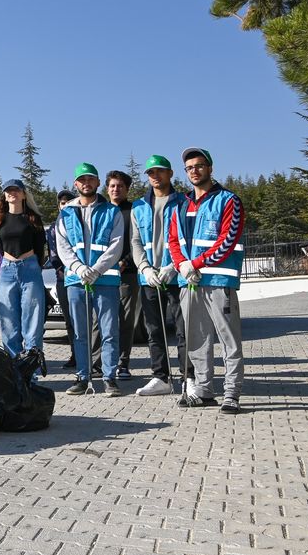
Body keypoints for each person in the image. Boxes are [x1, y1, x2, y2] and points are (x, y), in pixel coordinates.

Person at [168, 147, 246, 414]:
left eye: (199, 165)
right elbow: (173, 241)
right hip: (189, 282)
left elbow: (227, 240)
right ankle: (203, 391)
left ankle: (232, 393)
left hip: (218, 281)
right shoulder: (180, 204)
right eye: (189, 167)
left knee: (228, 339)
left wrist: (196, 264)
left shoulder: (228, 200)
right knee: (196, 338)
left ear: (210, 168)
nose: (194, 171)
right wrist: (181, 265)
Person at [55, 163, 125, 397]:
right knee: (80, 333)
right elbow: (62, 247)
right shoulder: (65, 213)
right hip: (76, 281)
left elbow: (116, 245)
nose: (86, 183)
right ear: (75, 184)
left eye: (90, 179)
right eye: (81, 180)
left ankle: (109, 377)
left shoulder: (111, 211)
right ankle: (83, 377)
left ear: (97, 183)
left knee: (109, 331)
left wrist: (95, 269)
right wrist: (77, 267)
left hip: (105, 280)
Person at [131, 155, 190, 397]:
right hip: (149, 279)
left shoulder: (184, 202)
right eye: (151, 173)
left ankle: (189, 377)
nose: (155, 176)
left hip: (175, 277)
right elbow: (135, 241)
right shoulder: (138, 206)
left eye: (160, 171)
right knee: (154, 330)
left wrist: (174, 267)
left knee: (183, 328)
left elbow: (189, 238)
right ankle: (160, 377)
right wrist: (144, 268)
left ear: (170, 174)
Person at [0, 179, 48, 358]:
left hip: (30, 269)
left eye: (16, 190)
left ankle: (31, 369)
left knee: (32, 320)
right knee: (8, 321)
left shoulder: (33, 218)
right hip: (7, 270)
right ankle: (14, 367)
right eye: (8, 191)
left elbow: (41, 248)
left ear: (24, 194)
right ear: (5, 196)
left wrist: (34, 266)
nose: (12, 193)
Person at [105, 170, 143, 380]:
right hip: (102, 274)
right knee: (103, 320)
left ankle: (123, 363)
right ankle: (102, 362)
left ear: (127, 189)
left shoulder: (133, 211)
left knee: (126, 321)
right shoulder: (101, 211)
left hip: (127, 273)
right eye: (112, 186)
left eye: (120, 186)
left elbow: (137, 241)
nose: (115, 189)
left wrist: (125, 262)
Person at [45, 190, 78, 368]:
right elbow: (53, 254)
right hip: (63, 278)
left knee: (86, 321)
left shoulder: (81, 224)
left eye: (68, 202)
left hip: (82, 278)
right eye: (62, 203)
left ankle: (92, 356)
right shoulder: (53, 227)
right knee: (70, 321)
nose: (65, 205)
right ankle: (75, 354)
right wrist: (61, 269)